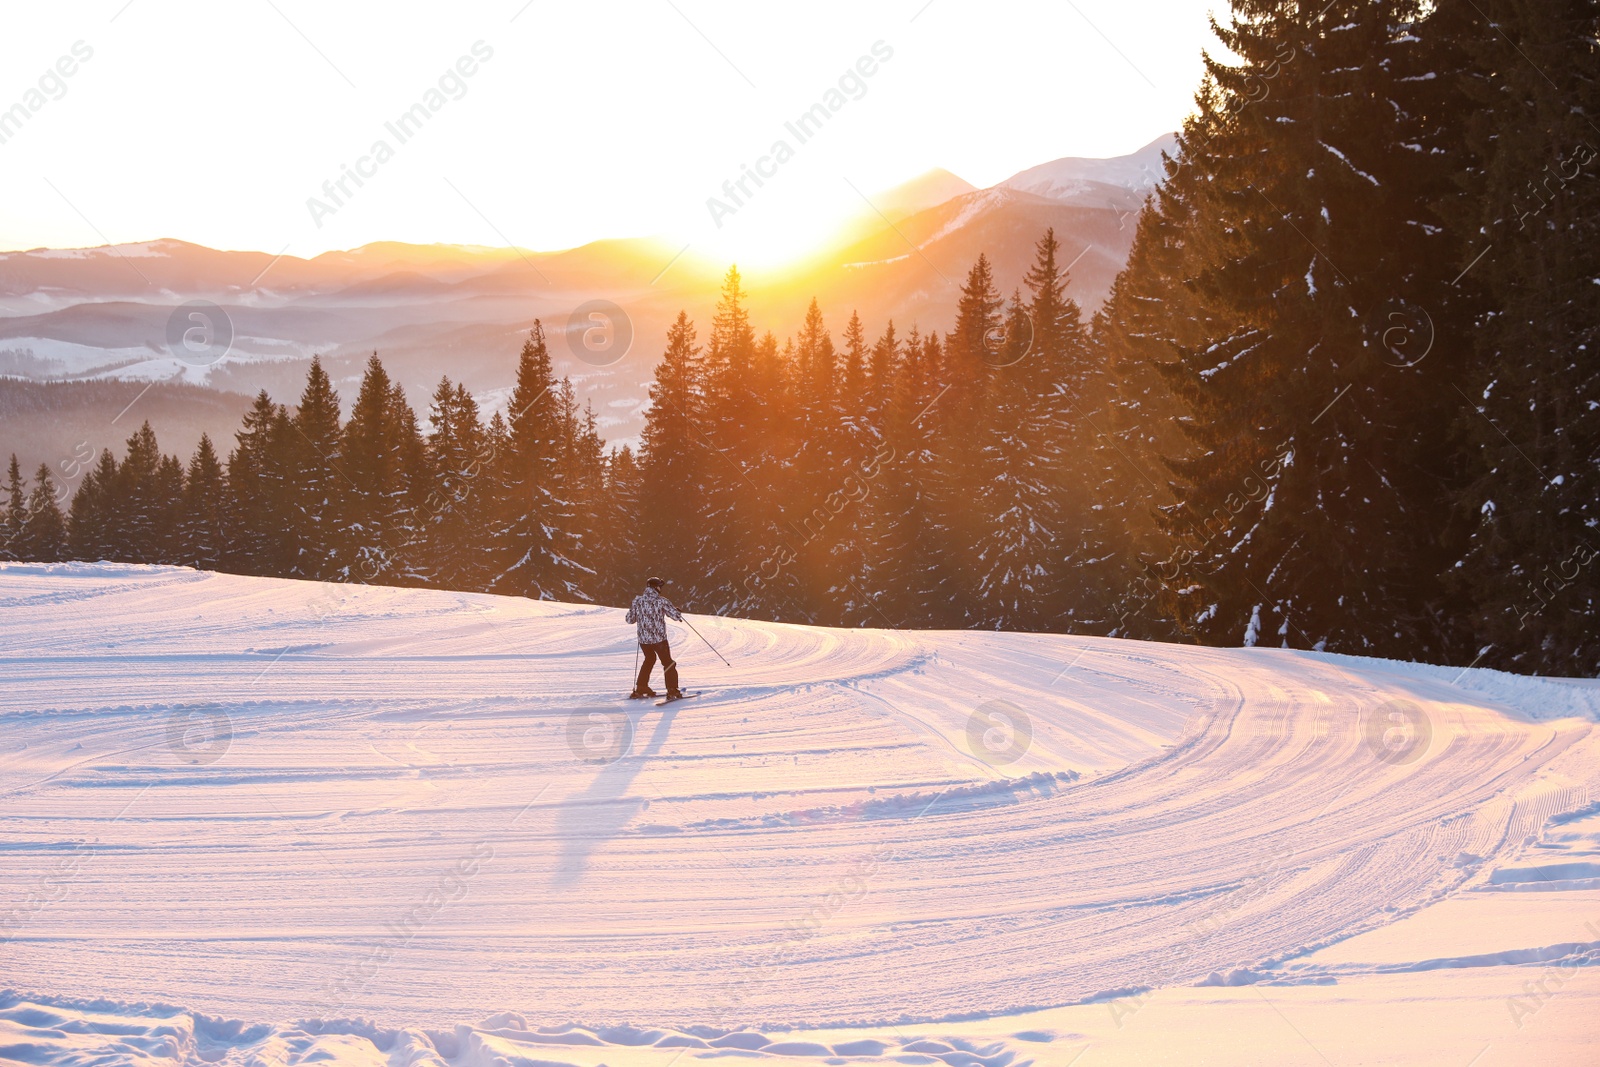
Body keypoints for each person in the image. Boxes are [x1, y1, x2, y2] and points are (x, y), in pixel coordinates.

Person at [626, 576, 684, 699]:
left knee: (649, 659)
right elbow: (675, 616)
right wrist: (678, 612)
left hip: (644, 640)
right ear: (656, 587)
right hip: (659, 640)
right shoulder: (661, 601)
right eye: (659, 586)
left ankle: (641, 687)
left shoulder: (637, 601)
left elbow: (629, 620)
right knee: (668, 663)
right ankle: (672, 690)